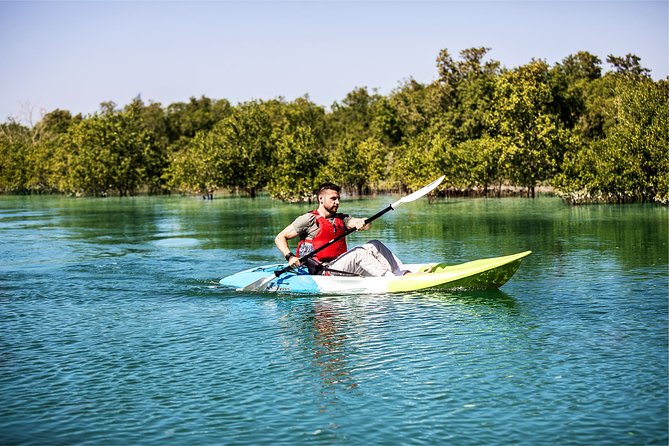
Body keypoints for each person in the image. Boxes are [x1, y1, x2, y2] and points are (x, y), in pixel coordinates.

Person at [274, 182, 409, 277]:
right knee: (358, 252)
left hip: (338, 264)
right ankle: (388, 278)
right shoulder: (308, 219)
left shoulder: (341, 218)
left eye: (338, 198)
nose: (337, 202)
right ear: (321, 199)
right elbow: (280, 237)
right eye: (333, 199)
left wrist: (362, 222)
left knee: (375, 244)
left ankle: (400, 271)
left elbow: (361, 224)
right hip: (322, 270)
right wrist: (290, 257)